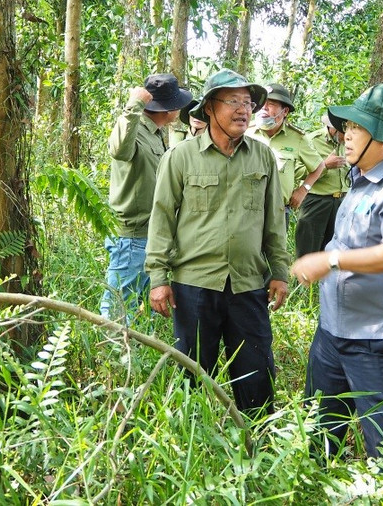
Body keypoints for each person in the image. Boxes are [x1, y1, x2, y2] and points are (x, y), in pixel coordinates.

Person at [290, 84, 383, 492]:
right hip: (332, 331)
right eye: (346, 127)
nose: (345, 135)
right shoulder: (359, 178)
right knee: (318, 427)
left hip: (373, 340)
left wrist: (329, 260)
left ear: (382, 139)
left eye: (356, 129)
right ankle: (312, 492)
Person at [145, 69, 291, 415]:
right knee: (192, 375)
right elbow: (162, 218)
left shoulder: (262, 157)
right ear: (209, 108)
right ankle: (190, 446)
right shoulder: (180, 157)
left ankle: (258, 445)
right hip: (195, 286)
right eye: (234, 102)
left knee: (256, 376)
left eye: (248, 102)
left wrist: (280, 271)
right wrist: (158, 279)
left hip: (247, 285)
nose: (244, 110)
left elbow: (274, 220)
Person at [101, 73, 193, 320]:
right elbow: (119, 150)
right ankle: (112, 353)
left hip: (148, 234)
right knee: (119, 310)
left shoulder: (155, 132)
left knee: (138, 306)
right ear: (168, 108)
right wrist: (133, 105)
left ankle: (132, 353)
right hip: (131, 237)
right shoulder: (136, 128)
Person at [246, 83, 325, 228]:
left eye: (271, 104)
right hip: (245, 211)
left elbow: (319, 165)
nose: (264, 107)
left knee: (276, 251)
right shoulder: (245, 132)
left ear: (285, 111)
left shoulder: (297, 138)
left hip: (279, 213)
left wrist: (303, 190)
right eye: (262, 103)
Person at [294, 114, 349, 258]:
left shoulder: (348, 143)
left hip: (340, 202)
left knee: (333, 252)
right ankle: (302, 280)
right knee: (307, 251)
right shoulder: (311, 141)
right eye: (344, 132)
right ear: (333, 129)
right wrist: (325, 166)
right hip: (316, 201)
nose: (347, 136)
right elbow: (297, 171)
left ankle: (325, 281)